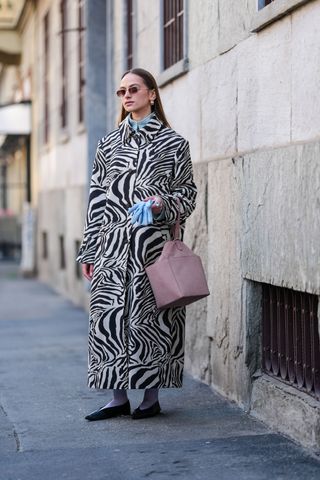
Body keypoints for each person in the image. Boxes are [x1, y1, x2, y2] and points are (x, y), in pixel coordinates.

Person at [77, 68, 197, 421]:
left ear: (152, 94)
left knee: (151, 319)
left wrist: (162, 205)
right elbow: (97, 198)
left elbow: (188, 195)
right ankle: (117, 398)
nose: (126, 96)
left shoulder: (174, 144)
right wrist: (89, 249)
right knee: (109, 317)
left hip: (152, 247)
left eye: (133, 89)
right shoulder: (108, 144)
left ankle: (150, 398)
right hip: (112, 247)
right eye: (121, 92)